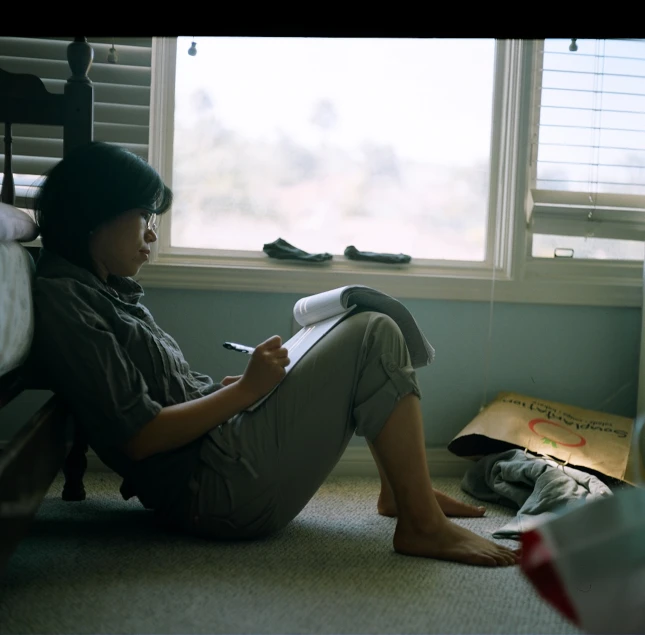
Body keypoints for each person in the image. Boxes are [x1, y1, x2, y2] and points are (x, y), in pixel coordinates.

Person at [30, 142, 520, 567]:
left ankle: (402, 492)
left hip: (223, 454)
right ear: (98, 215)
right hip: (217, 491)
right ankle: (421, 523)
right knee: (372, 332)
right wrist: (246, 391)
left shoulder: (107, 292)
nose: (152, 236)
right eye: (144, 217)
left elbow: (159, 396)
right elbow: (140, 437)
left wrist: (220, 391)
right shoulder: (65, 301)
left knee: (355, 323)